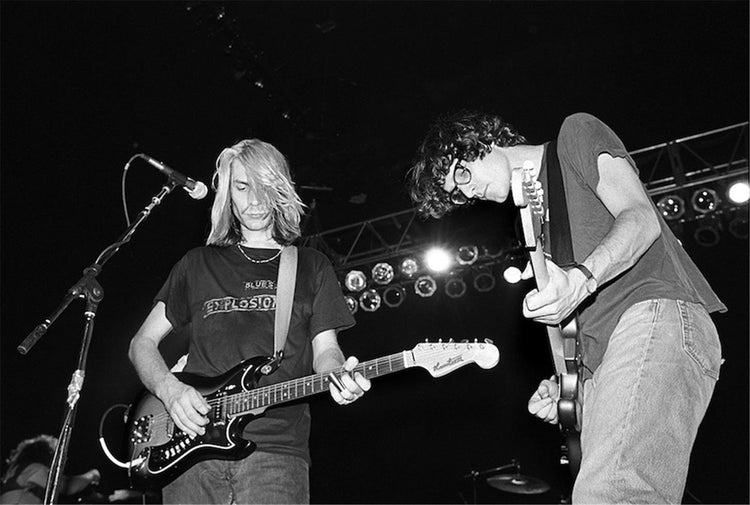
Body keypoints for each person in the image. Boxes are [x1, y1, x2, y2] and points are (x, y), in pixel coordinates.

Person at [408, 111, 725, 503]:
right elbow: (576, 323)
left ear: (478, 142)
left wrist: (583, 278)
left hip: (652, 315)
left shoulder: (574, 134)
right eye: (457, 195)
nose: (467, 193)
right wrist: (566, 389)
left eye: (461, 175)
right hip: (605, 364)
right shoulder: (535, 223)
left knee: (610, 494)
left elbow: (641, 218)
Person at [128, 139, 370, 504]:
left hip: (276, 453)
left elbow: (326, 351)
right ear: (227, 192)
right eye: (243, 187)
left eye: (264, 188)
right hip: (190, 455)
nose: (255, 200)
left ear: (281, 190)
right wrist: (169, 389)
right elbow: (141, 343)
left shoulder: (310, 266)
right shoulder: (197, 264)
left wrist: (338, 376)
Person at [0, 434, 100, 504]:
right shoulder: (34, 469)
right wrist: (92, 474)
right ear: (45, 454)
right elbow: (67, 486)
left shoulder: (20, 471)